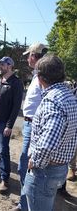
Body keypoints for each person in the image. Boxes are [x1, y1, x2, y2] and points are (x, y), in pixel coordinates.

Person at [23, 55, 77, 211]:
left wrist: (35, 162)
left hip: (44, 172)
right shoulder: (69, 95)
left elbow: (47, 144)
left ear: (40, 78)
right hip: (58, 168)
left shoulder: (52, 101)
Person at [13, 43, 48, 211]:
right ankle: (25, 203)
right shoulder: (37, 76)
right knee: (25, 166)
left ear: (35, 56)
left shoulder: (44, 78)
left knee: (26, 166)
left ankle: (27, 204)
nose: (27, 58)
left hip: (35, 125)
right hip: (29, 124)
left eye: (29, 55)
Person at [0, 56, 24, 194]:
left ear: (9, 66)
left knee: (3, 150)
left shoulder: (16, 83)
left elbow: (16, 108)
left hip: (4, 124)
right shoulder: (0, 81)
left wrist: (9, 125)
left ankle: (5, 179)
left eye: (2, 64)